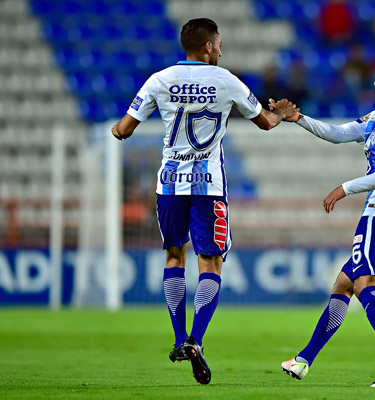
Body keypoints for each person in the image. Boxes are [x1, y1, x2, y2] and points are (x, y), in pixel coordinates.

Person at [110, 18, 297, 385]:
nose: (222, 50)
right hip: (208, 185)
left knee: (173, 256)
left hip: (169, 185)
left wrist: (115, 130)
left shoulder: (159, 80)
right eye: (220, 44)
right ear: (209, 47)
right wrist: (283, 113)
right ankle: (196, 339)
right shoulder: (226, 80)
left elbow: (124, 129)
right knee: (209, 263)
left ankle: (180, 340)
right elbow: (266, 123)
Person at [273, 56, 375, 388]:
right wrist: (299, 118)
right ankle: (303, 361)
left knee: (364, 283)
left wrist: (345, 188)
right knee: (344, 283)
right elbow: (338, 133)